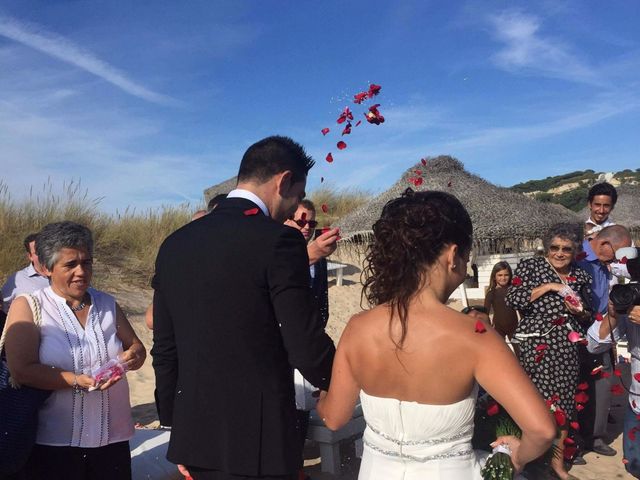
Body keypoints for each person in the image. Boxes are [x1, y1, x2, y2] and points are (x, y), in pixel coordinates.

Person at [317, 189, 555, 480]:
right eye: (467, 255)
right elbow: (541, 431)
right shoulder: (475, 335)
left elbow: (334, 418)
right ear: (453, 255)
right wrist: (516, 456)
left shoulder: (358, 327)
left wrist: (323, 396)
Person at [151, 135, 336, 480]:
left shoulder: (174, 245)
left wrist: (177, 428)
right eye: (296, 195)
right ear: (283, 181)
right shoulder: (279, 241)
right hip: (260, 439)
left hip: (195, 437)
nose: (293, 207)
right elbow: (303, 342)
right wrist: (346, 381)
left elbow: (165, 347)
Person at [3, 221, 146, 479]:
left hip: (111, 439)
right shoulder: (29, 305)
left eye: (86, 262)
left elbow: (136, 347)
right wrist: (77, 380)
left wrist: (132, 357)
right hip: (53, 444)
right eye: (70, 265)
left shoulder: (106, 303)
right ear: (47, 268)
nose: (81, 271)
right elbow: (22, 370)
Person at [506, 223, 593, 479]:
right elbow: (513, 298)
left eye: (566, 248)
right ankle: (529, 458)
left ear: (575, 250)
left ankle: (556, 464)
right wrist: (549, 287)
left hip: (567, 348)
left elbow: (588, 313)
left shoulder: (580, 275)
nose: (560, 253)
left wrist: (580, 312)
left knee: (564, 406)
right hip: (537, 347)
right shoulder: (531, 267)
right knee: (536, 403)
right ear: (547, 247)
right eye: (554, 247)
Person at [575, 224, 632, 459]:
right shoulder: (576, 256)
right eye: (617, 253)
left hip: (604, 328)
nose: (618, 260)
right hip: (576, 329)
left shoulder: (607, 264)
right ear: (605, 244)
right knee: (574, 386)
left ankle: (595, 437)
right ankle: (574, 442)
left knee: (603, 386)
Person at [587, 247, 640, 478]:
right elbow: (594, 345)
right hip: (636, 401)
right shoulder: (631, 305)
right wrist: (612, 316)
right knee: (634, 464)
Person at [2, 233, 50, 313]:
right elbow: (4, 307)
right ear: (30, 256)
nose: (43, 255)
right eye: (38, 253)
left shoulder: (64, 274)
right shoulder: (17, 279)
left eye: (45, 250)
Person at [484, 261, 519, 341]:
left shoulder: (514, 291)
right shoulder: (491, 293)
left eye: (506, 275)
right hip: (498, 328)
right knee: (499, 351)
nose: (503, 278)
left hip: (514, 327)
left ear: (510, 276)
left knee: (518, 351)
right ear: (494, 276)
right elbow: (485, 313)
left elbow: (521, 308)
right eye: (500, 275)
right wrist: (488, 328)